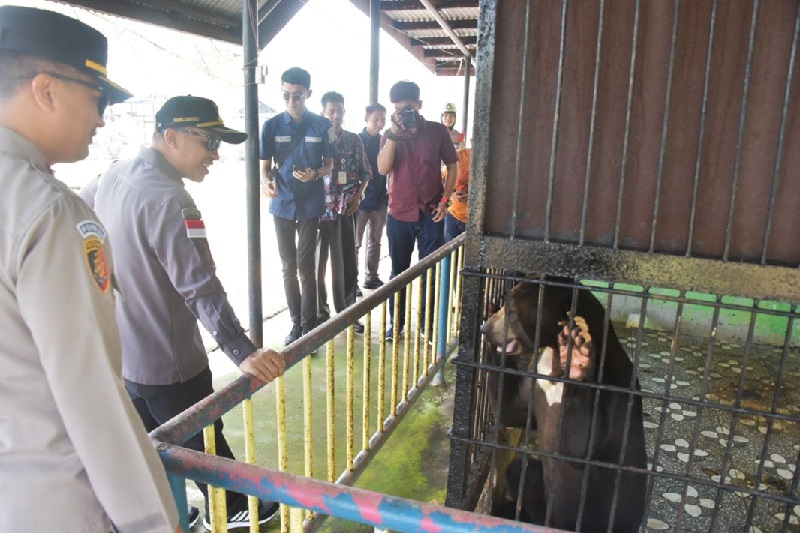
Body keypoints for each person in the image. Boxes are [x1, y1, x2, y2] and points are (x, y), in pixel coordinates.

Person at [0, 6, 181, 533]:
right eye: (97, 98)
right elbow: (91, 392)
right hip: (53, 502)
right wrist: (153, 520)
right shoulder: (50, 211)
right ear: (47, 90)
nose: (102, 118)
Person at [82, 95, 285, 530]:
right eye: (209, 142)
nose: (215, 154)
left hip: (127, 356)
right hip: (170, 361)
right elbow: (200, 286)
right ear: (171, 137)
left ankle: (166, 511)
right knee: (204, 444)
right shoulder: (173, 201)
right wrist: (242, 350)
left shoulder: (111, 175)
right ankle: (232, 510)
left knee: (145, 446)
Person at [377, 81, 459, 339]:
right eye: (399, 110)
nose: (405, 114)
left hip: (431, 214)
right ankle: (396, 324)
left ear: (420, 105)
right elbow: (382, 169)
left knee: (430, 272)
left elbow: (453, 166)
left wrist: (446, 201)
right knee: (398, 271)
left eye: (409, 108)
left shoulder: (437, 132)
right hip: (399, 214)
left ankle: (426, 325)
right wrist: (392, 132)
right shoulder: (390, 135)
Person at [260, 67, 335, 345]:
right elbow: (265, 168)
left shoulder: (321, 125)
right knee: (287, 265)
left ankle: (309, 326)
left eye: (297, 96)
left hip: (311, 203)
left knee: (305, 265)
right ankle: (295, 324)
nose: (292, 101)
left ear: (308, 94)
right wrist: (266, 182)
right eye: (286, 95)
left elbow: (329, 164)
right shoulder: (272, 126)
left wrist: (315, 174)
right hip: (282, 203)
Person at [316, 91, 372, 330]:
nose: (336, 116)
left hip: (344, 209)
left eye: (339, 111)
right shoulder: (314, 139)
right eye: (331, 111)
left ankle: (347, 314)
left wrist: (359, 195)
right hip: (316, 210)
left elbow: (366, 174)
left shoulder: (353, 141)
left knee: (346, 263)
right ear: (323, 113)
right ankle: (319, 314)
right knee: (314, 265)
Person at [356, 103, 389, 291]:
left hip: (380, 198)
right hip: (360, 200)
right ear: (366, 119)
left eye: (383, 119)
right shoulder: (358, 140)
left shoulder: (385, 141)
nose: (380, 123)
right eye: (376, 119)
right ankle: (352, 282)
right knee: (356, 243)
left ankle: (372, 276)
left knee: (375, 240)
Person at [445, 144, 471, 242]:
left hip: (476, 222)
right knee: (447, 253)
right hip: (453, 215)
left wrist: (473, 196)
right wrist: (452, 195)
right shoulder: (459, 156)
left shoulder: (496, 163)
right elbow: (442, 180)